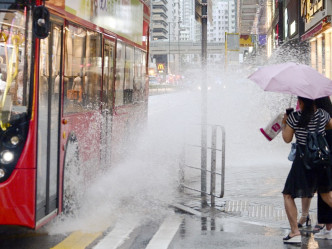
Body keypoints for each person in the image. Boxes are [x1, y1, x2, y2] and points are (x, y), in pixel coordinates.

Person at [281, 96, 332, 244]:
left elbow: (287, 138)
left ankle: (295, 232)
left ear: (301, 103)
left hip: (303, 162)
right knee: (327, 195)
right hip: (321, 161)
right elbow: (330, 125)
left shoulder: (295, 117)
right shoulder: (323, 114)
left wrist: (285, 121)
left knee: (288, 195)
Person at [312, 96, 332, 239]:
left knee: (325, 191)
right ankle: (328, 226)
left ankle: (329, 228)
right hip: (327, 159)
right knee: (325, 191)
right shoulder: (327, 118)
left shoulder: (323, 119)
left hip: (325, 160)